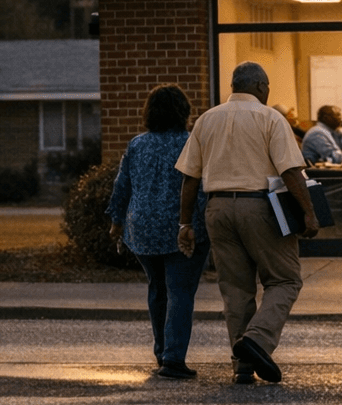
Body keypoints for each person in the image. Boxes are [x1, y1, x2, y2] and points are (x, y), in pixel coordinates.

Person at [176, 62, 319, 385]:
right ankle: (256, 340)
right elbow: (291, 171)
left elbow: (189, 178)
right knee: (284, 280)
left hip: (218, 209)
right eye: (266, 87)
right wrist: (308, 213)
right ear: (260, 86)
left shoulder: (206, 120)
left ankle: (242, 364)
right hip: (261, 208)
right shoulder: (270, 118)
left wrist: (184, 223)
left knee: (236, 288)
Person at [108, 84, 209, 380]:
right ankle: (174, 358)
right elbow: (198, 187)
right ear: (184, 112)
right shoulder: (191, 142)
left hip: (141, 228)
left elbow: (121, 185)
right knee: (180, 291)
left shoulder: (137, 144)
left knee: (157, 288)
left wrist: (116, 221)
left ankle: (162, 350)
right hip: (181, 225)